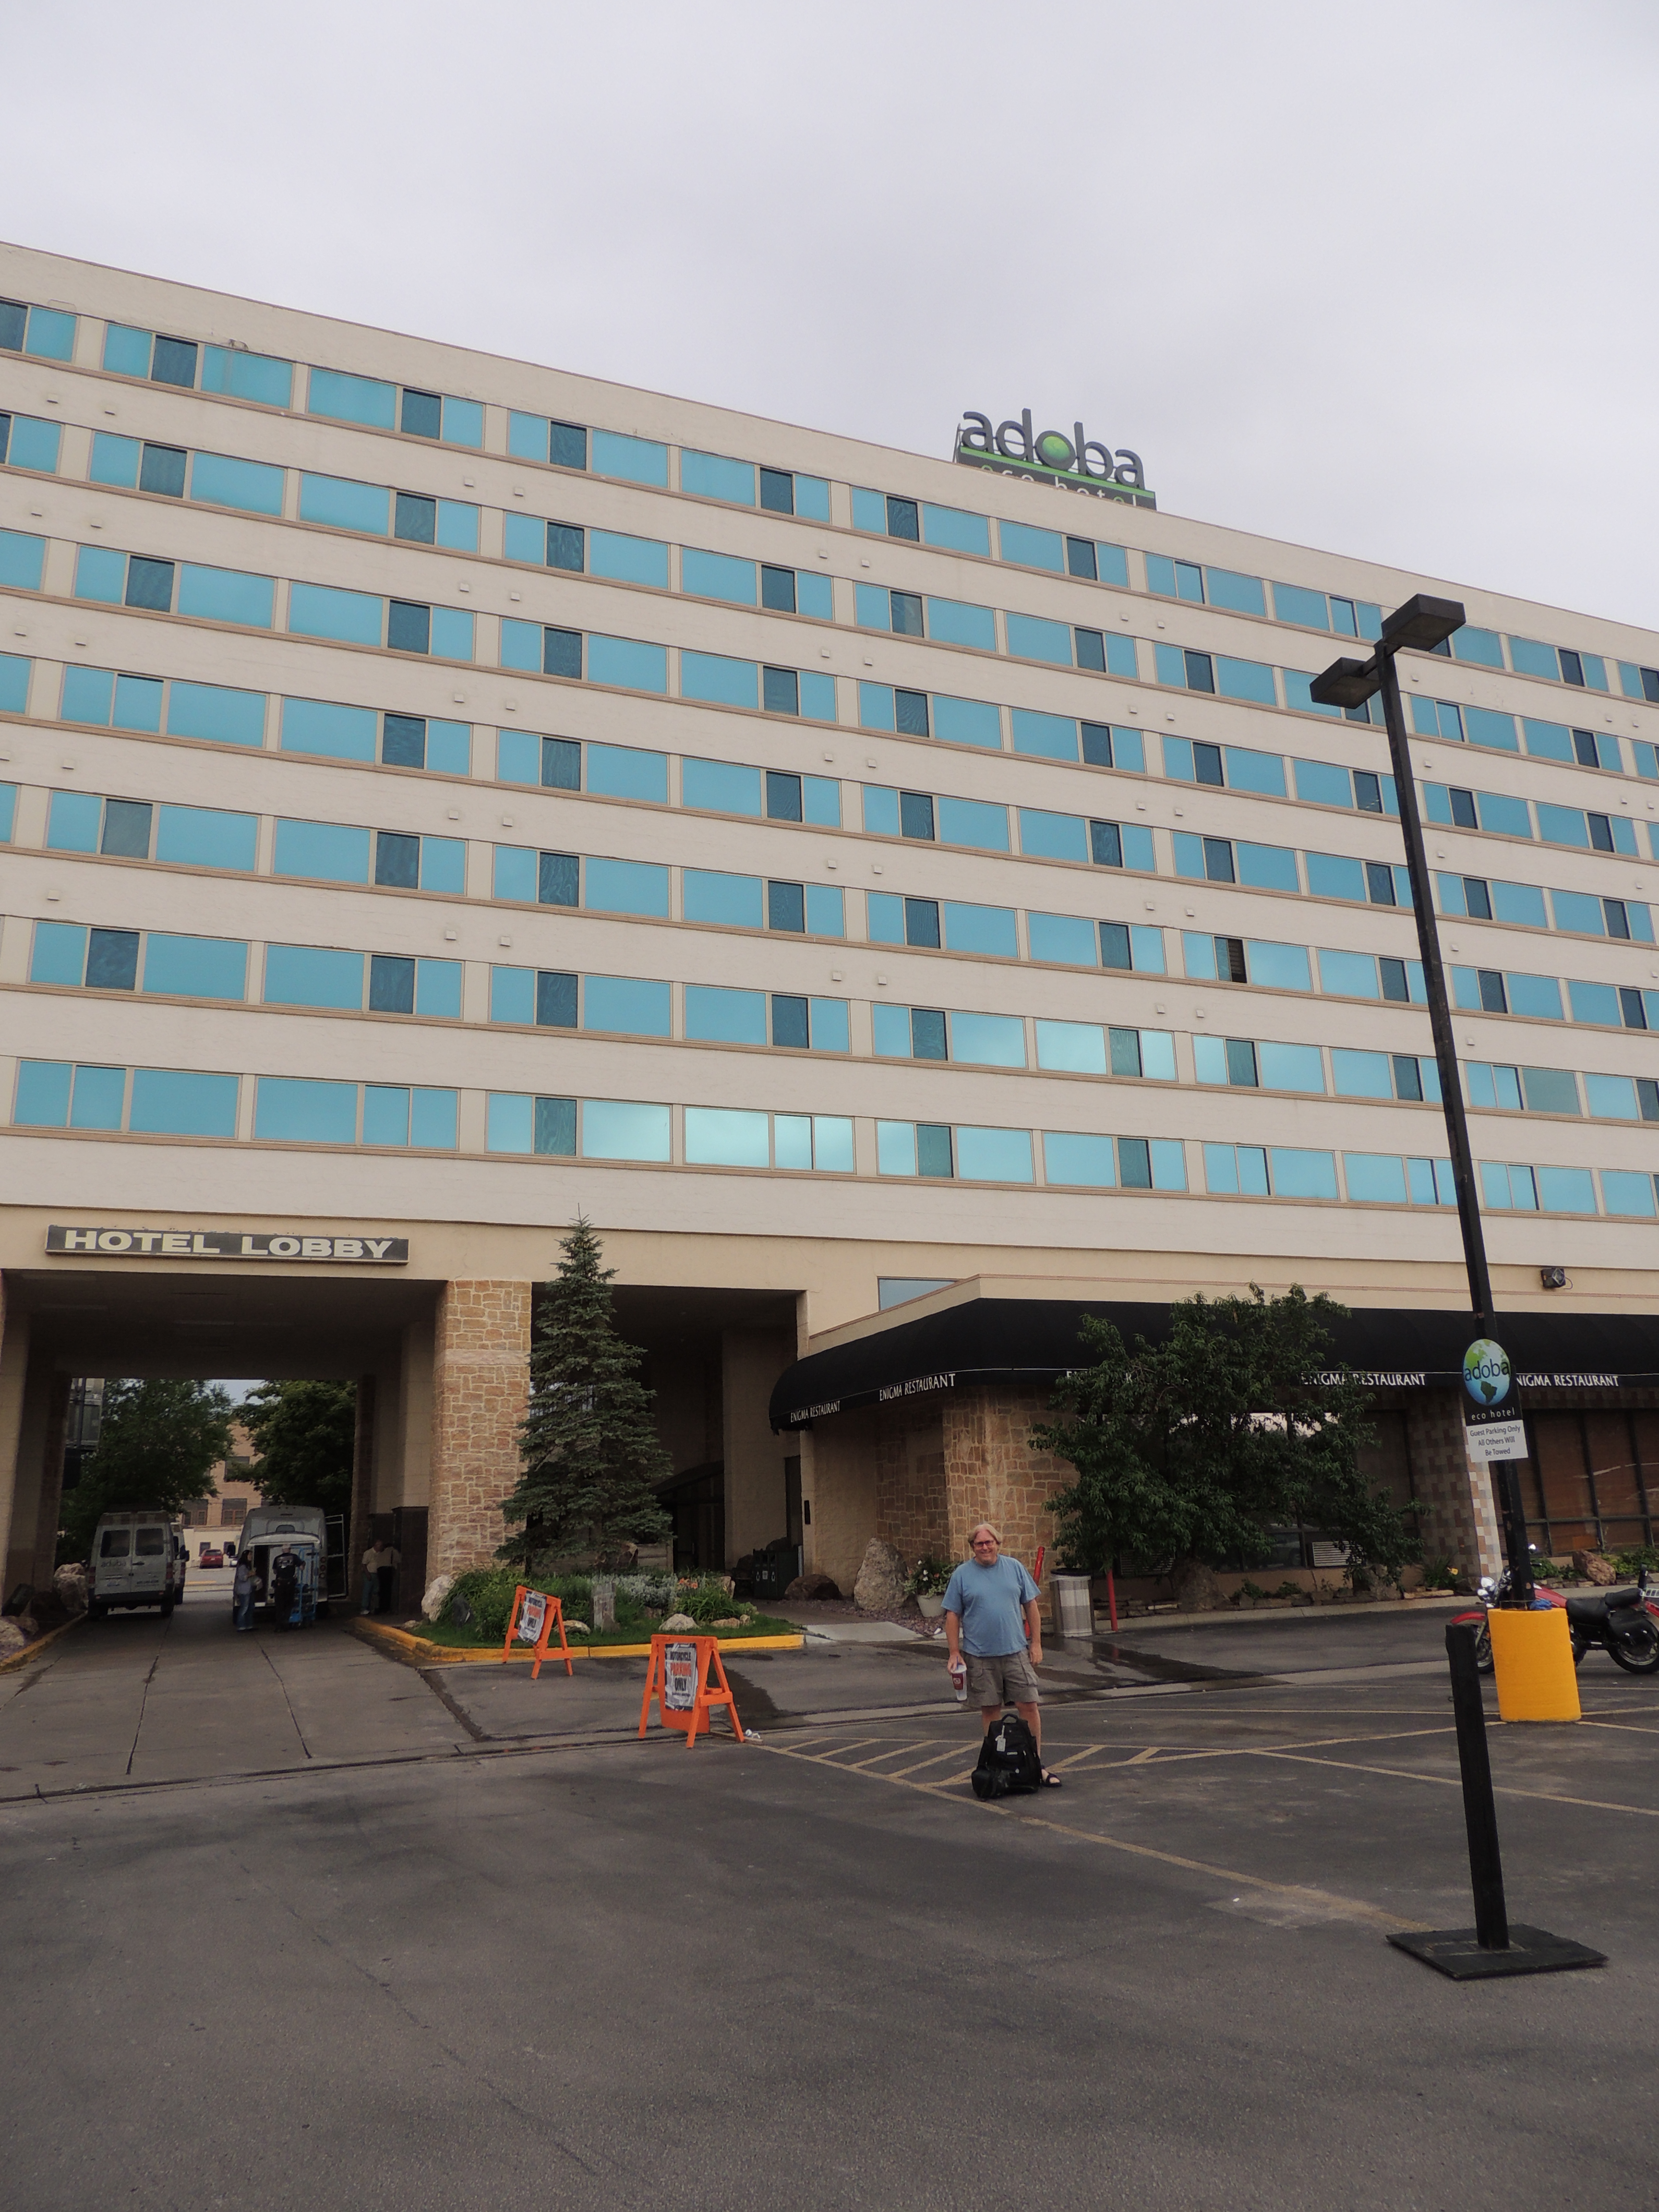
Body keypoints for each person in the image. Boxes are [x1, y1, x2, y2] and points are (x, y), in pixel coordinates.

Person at [942, 1522, 1059, 1788]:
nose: (985, 1547)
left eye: (989, 1542)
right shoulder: (962, 1575)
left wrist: (1036, 1644)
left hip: (1016, 1652)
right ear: (973, 1547)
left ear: (998, 1543)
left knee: (1029, 1706)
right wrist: (954, 1653)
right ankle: (997, 1765)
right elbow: (953, 1615)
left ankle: (1035, 1765)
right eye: (979, 1544)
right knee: (991, 1710)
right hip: (979, 1656)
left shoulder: (1014, 1568)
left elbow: (1031, 1606)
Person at [270, 1546, 299, 1630]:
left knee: (279, 1606)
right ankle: (286, 1625)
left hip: (280, 1584)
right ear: (290, 1549)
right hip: (290, 1584)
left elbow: (275, 1571)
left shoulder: (277, 1558)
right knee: (289, 1605)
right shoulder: (294, 1557)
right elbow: (301, 1567)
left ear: (282, 1550)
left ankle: (279, 1626)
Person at [377, 1540, 401, 1617]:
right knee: (388, 1590)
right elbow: (398, 1560)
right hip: (388, 1570)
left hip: (380, 1571)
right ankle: (387, 1608)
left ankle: (381, 1607)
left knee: (382, 1589)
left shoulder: (381, 1553)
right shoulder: (393, 1551)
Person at [232, 1551, 255, 1632]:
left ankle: (249, 1625)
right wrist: (250, 1574)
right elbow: (242, 1578)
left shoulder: (248, 1566)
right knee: (244, 1608)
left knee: (250, 1608)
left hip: (249, 1590)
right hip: (244, 1591)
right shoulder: (243, 1567)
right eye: (250, 1555)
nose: (251, 1556)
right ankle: (241, 1626)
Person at [360, 1540, 383, 1614]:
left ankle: (373, 1607)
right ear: (376, 1546)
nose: (381, 1547)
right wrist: (367, 1574)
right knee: (367, 1591)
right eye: (380, 1546)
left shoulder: (380, 1554)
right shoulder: (369, 1553)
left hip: (376, 1574)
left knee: (375, 1591)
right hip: (369, 1573)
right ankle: (364, 1608)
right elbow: (364, 1564)